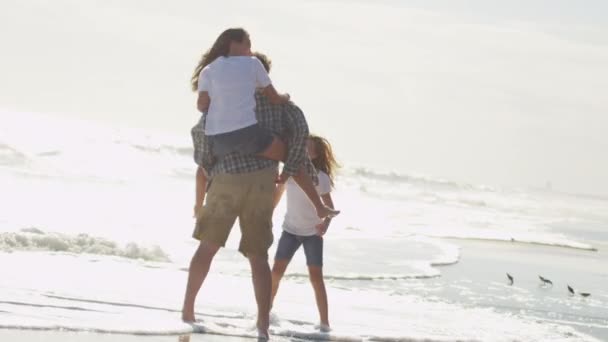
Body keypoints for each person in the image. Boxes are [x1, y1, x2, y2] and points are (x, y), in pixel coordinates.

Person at [183, 52, 322, 340]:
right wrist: (290, 169)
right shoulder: (282, 106)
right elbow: (299, 135)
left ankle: (187, 312)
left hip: (227, 177)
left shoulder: (224, 102)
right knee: (259, 257)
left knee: (207, 247)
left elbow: (201, 134)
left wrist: (210, 166)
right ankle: (262, 327)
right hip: (261, 181)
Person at [191, 27, 337, 219]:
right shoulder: (265, 88)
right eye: (247, 45)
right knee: (294, 157)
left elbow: (201, 119)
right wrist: (286, 97)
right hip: (252, 144)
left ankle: (198, 206)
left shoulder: (214, 80)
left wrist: (206, 163)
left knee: (201, 168)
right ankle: (318, 206)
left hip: (221, 147)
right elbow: (297, 128)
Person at [270, 135, 338, 332]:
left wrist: (325, 225)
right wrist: (268, 215)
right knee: (276, 272)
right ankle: (266, 312)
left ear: (315, 155)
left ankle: (325, 324)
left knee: (316, 277)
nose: (303, 150)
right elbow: (278, 194)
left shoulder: (321, 177)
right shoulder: (291, 171)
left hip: (312, 234)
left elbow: (329, 207)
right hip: (290, 230)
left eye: (308, 148)